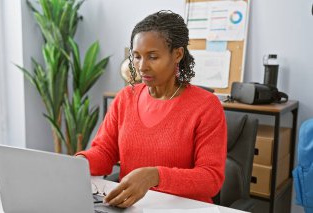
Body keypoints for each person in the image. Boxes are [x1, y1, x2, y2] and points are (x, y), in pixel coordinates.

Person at [76, 10, 227, 208]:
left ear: (178, 54)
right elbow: (104, 152)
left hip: (185, 209)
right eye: (137, 57)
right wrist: (76, 164)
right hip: (131, 206)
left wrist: (155, 176)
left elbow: (210, 179)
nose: (142, 67)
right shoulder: (125, 98)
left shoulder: (206, 106)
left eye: (153, 57)